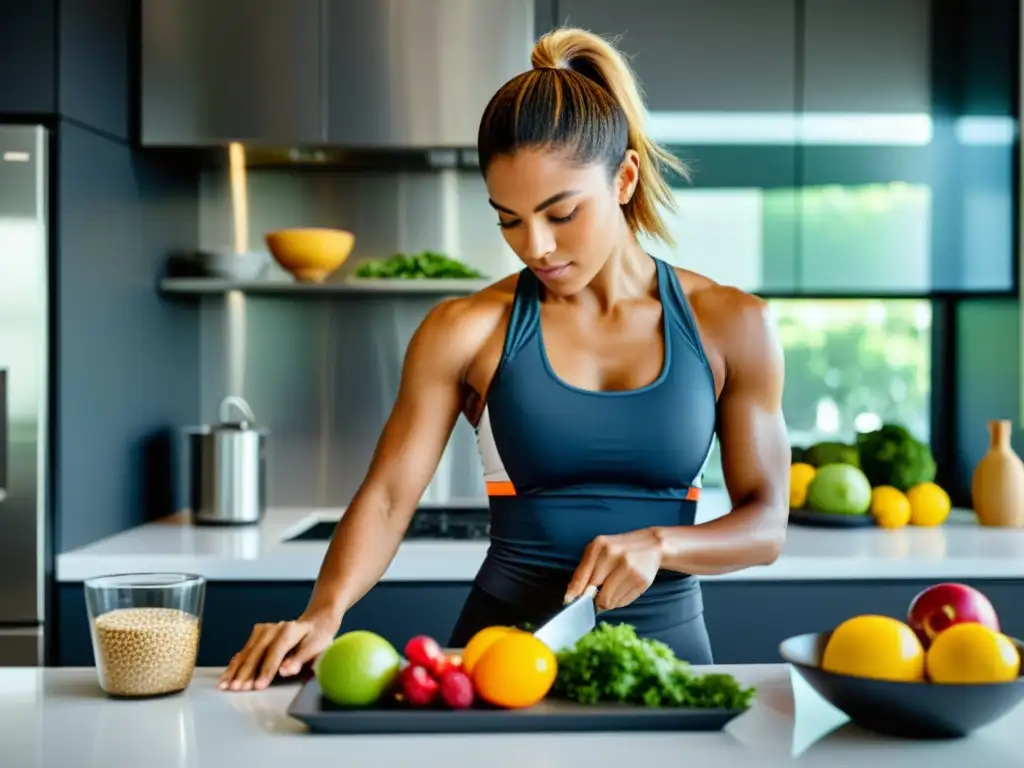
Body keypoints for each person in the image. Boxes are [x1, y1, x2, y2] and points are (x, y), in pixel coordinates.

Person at [218, 26, 790, 692]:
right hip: (497, 664)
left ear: (625, 178)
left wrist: (662, 543)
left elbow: (765, 522)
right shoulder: (464, 329)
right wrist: (324, 612)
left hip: (667, 662)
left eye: (561, 212)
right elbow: (387, 499)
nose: (536, 246)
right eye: (509, 219)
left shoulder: (731, 323)